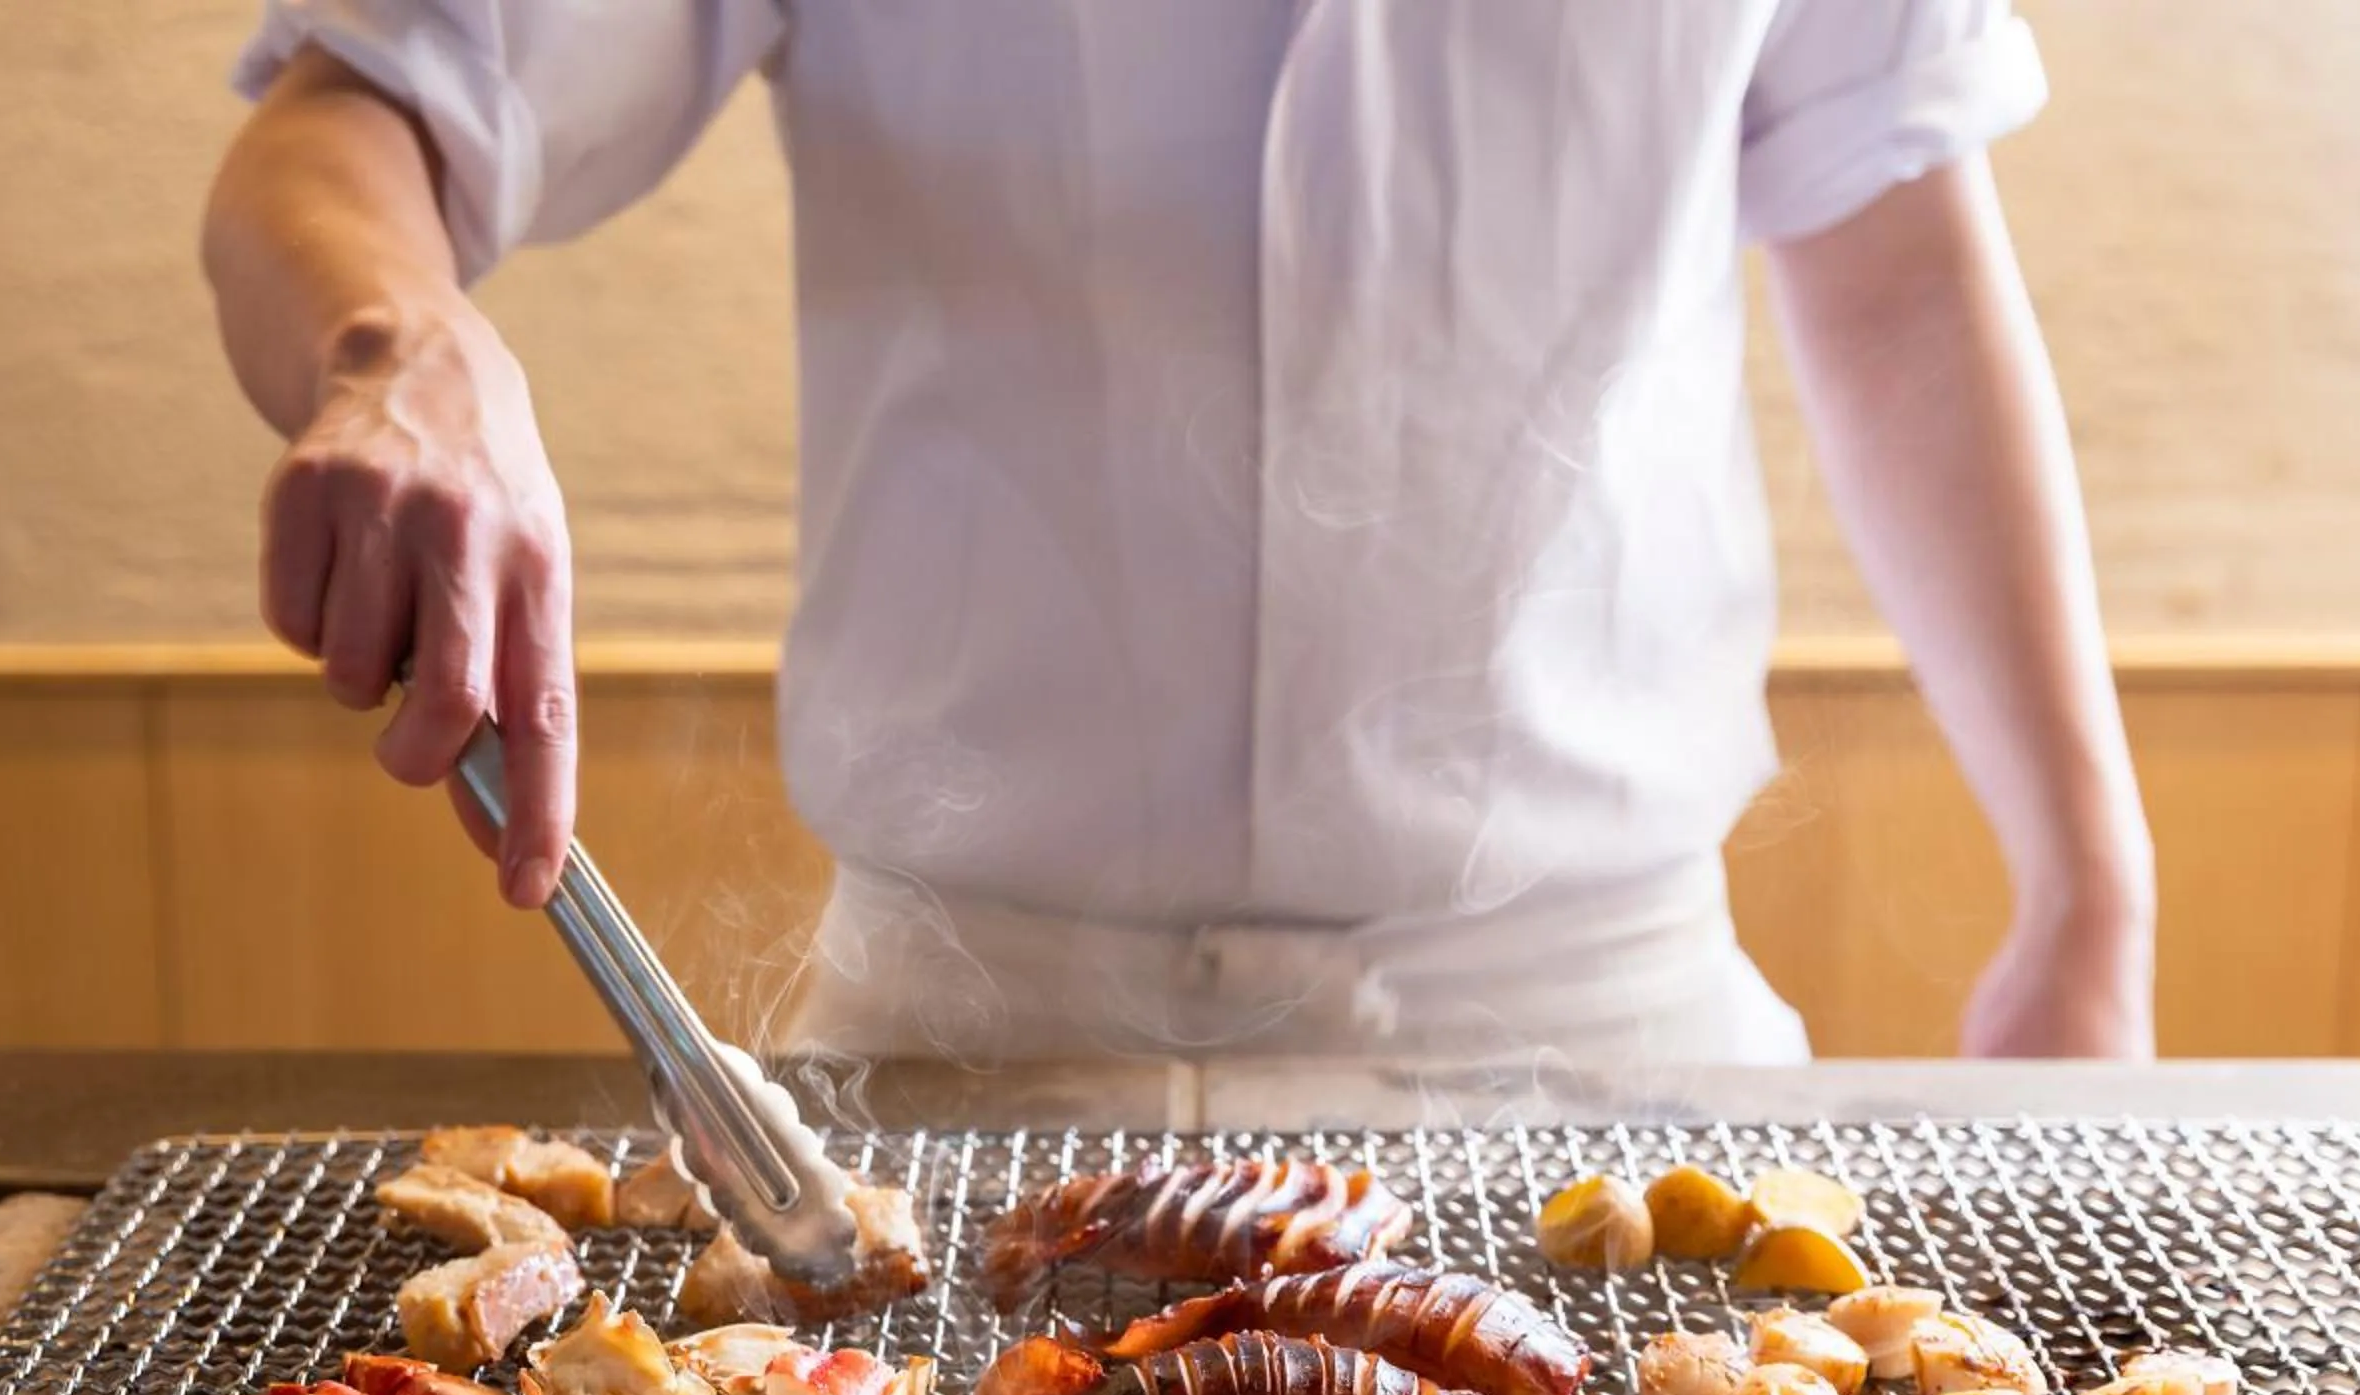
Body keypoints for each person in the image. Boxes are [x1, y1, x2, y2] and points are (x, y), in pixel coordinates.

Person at [203, 2, 2155, 1071]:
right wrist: (396, 346)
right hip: (971, 1047)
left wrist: (2089, 890)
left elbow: (1900, 273)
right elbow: (347, 124)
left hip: (1596, 1033)